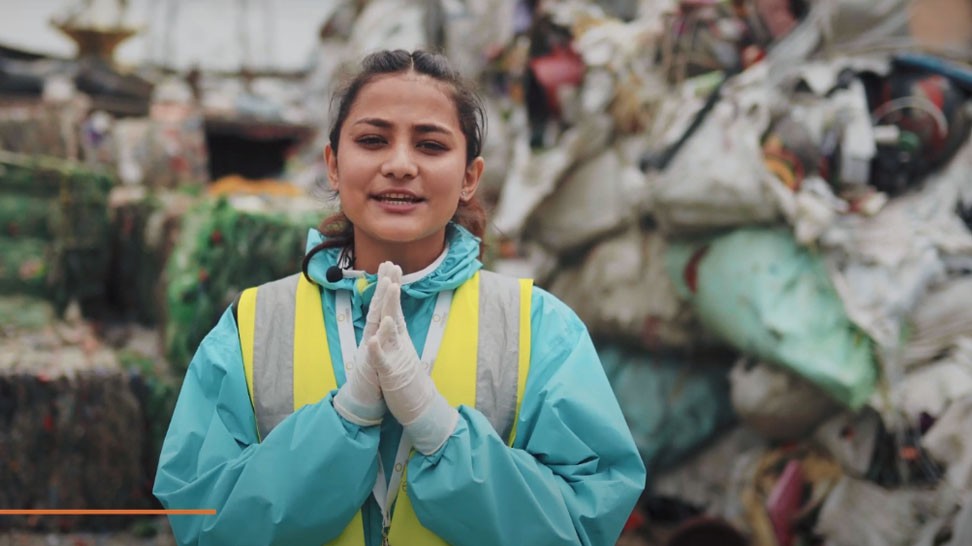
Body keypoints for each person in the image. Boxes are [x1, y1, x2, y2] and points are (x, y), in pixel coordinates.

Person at [153, 49, 646, 546]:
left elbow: (583, 525)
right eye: (373, 140)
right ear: (332, 164)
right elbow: (203, 521)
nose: (400, 165)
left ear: (470, 177)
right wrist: (343, 421)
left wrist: (440, 433)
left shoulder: (539, 328)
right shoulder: (254, 326)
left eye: (431, 145)